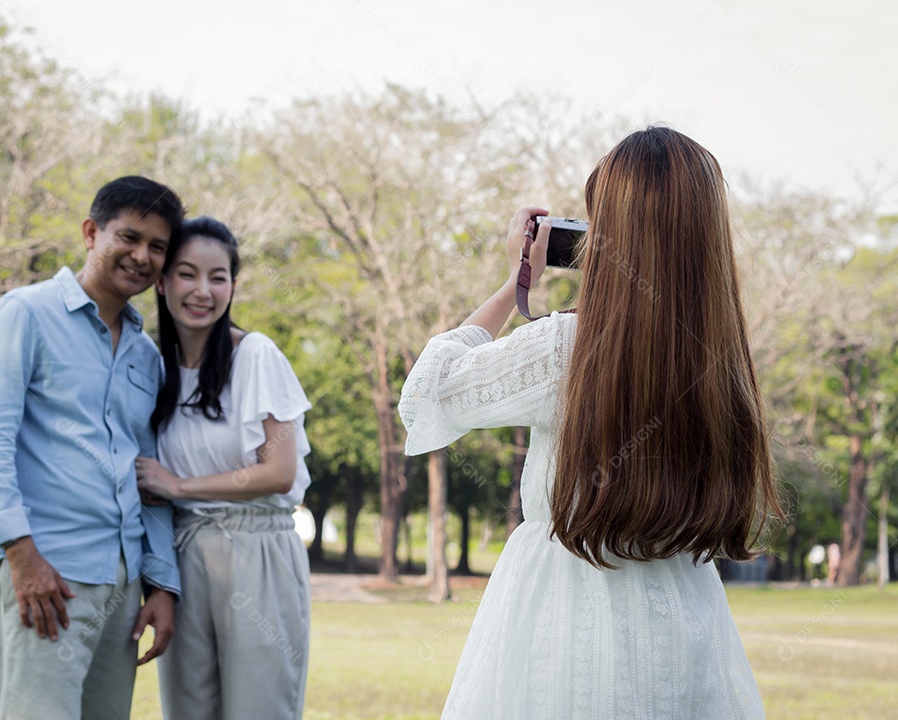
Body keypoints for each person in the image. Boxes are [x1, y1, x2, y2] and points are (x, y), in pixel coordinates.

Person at [399, 127, 784, 719]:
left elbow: (428, 393)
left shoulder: (567, 348)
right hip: (685, 615)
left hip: (567, 607)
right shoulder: (720, 358)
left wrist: (515, 281)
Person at [0, 176, 185, 720]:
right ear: (90, 233)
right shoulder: (24, 315)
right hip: (46, 576)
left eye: (157, 247)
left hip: (122, 589)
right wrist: (21, 555)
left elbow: (148, 477)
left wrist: (162, 584)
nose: (142, 256)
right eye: (128, 237)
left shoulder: (145, 356)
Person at [134, 216, 312, 720]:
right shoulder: (153, 366)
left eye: (218, 277)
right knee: (187, 710)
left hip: (257, 550)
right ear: (162, 282)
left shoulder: (255, 355)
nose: (202, 291)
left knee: (259, 708)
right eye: (187, 274)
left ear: (233, 286)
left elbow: (279, 472)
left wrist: (179, 486)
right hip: (187, 555)